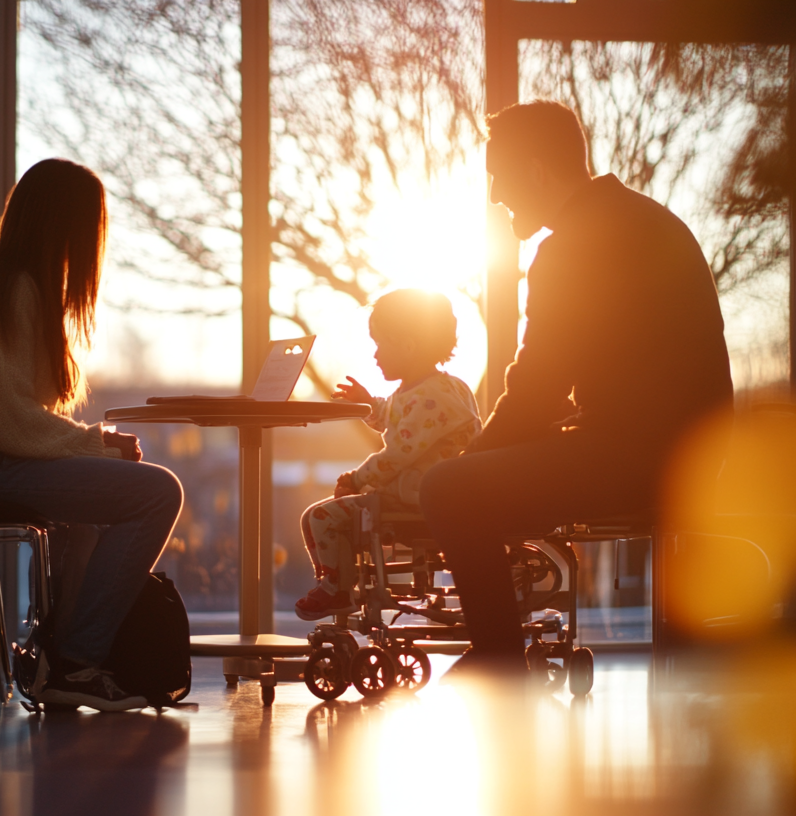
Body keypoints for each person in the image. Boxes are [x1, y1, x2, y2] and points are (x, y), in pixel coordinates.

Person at [419, 101, 733, 667]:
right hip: (691, 453)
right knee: (487, 475)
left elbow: (537, 387)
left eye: (499, 176)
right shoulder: (644, 219)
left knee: (449, 489)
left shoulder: (571, 247)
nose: (495, 195)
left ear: (536, 171)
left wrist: (470, 457)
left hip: (640, 459)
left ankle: (498, 660)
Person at [0, 158, 183, 711]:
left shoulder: (13, 286)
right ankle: (77, 661)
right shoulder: (8, 290)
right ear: (65, 224)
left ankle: (61, 659)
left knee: (102, 502)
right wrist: (96, 443)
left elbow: (17, 420)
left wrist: (95, 447)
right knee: (157, 492)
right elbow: (12, 422)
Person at [295, 289, 482, 620]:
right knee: (317, 515)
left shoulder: (428, 398)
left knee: (320, 517)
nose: (375, 355)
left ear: (408, 346)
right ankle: (337, 582)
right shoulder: (437, 389)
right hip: (427, 492)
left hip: (411, 497)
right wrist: (369, 403)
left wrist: (357, 479)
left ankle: (337, 588)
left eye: (381, 344)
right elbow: (399, 421)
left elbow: (399, 454)